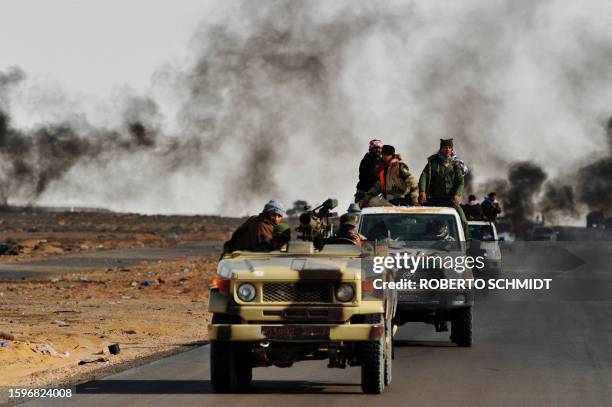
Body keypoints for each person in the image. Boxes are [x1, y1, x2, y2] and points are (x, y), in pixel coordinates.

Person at [418, 138, 468, 235]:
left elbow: (460, 181)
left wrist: (457, 194)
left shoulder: (456, 164)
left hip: (450, 200)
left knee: (463, 221)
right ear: (441, 149)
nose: (448, 150)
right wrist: (422, 191)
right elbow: (423, 177)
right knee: (427, 223)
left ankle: (466, 245)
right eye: (445, 147)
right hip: (434, 200)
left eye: (450, 147)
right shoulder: (433, 163)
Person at [355, 139, 383, 204]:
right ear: (370, 149)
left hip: (375, 195)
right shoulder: (366, 161)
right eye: (375, 148)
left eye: (380, 148)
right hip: (364, 195)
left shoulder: (380, 161)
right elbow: (374, 178)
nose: (378, 150)